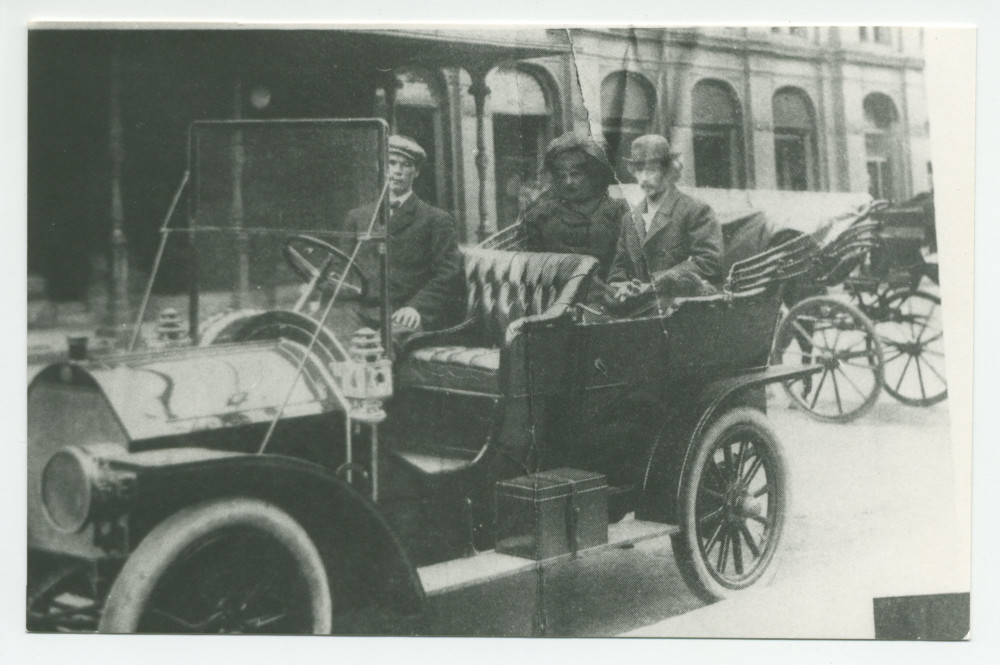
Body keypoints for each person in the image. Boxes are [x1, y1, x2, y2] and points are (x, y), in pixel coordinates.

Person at [326, 135, 462, 349]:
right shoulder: (358, 217)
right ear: (381, 167)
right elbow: (340, 266)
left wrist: (417, 307)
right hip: (362, 310)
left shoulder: (435, 219)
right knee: (325, 339)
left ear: (416, 172)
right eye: (391, 163)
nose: (397, 171)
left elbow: (448, 273)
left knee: (375, 348)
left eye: (406, 165)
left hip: (405, 314)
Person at [606, 134, 724, 314]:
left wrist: (656, 283)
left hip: (685, 304)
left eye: (652, 170)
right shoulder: (630, 220)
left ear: (668, 171)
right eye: (639, 170)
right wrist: (623, 285)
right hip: (640, 304)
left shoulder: (695, 210)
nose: (644, 178)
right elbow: (619, 268)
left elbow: (709, 262)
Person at [522, 132, 632, 278]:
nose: (568, 182)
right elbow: (532, 268)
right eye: (561, 175)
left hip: (612, 290)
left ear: (593, 174)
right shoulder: (541, 216)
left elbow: (629, 263)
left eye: (575, 174)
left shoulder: (617, 212)